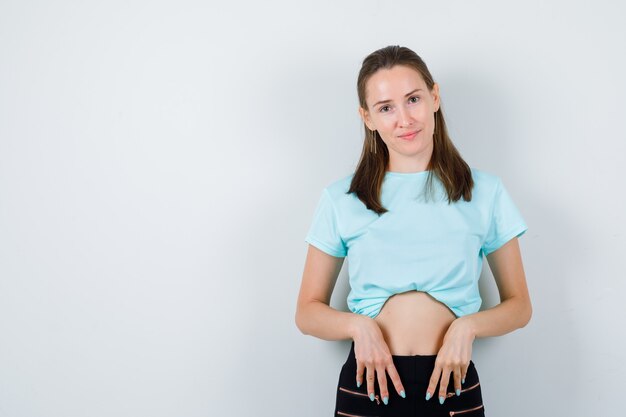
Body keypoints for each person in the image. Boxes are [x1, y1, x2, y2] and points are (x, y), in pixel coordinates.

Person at [295, 45, 531, 417]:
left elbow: (519, 306)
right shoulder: (342, 198)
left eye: (413, 99)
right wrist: (360, 328)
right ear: (367, 118)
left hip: (451, 383)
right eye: (386, 107)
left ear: (434, 97)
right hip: (369, 384)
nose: (404, 119)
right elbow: (307, 313)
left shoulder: (485, 192)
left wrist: (466, 328)